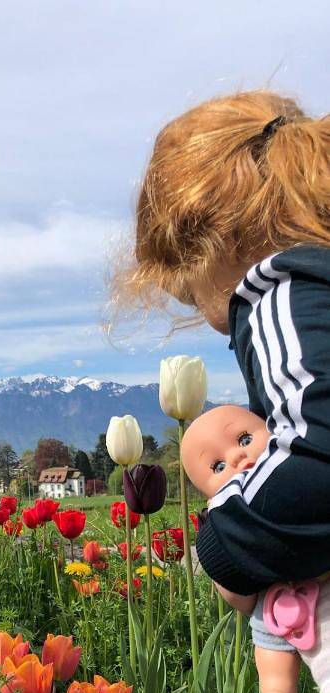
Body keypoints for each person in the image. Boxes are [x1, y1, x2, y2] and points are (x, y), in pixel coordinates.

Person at [116, 91, 330, 601]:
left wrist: (226, 550)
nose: (211, 321)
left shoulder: (283, 295)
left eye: (188, 293)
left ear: (207, 244)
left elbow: (317, 459)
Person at [181, 405, 330, 693]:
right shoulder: (269, 584)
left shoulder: (305, 469)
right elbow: (268, 635)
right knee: (272, 623)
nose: (236, 457)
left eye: (245, 438)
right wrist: (276, 692)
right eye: (218, 466)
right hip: (304, 615)